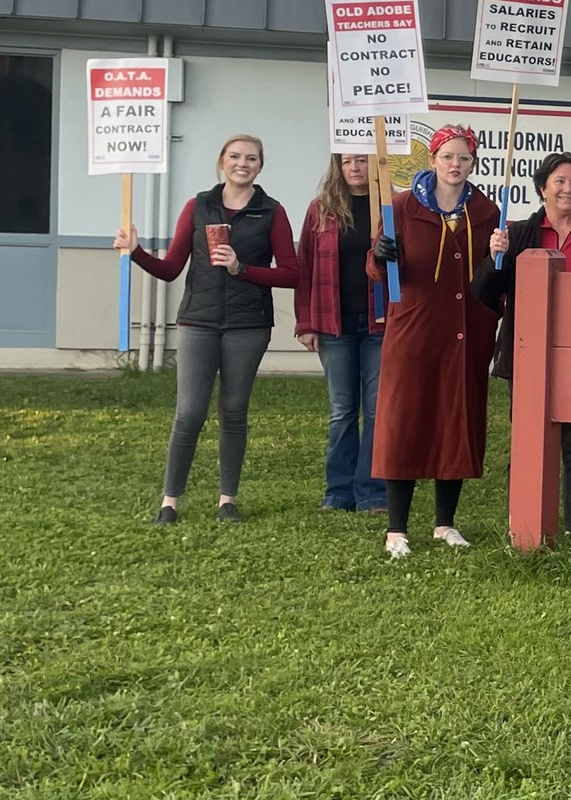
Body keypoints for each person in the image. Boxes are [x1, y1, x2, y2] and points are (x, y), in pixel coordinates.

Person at [117, 134, 300, 525]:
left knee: (233, 411)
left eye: (251, 158)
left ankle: (227, 500)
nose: (242, 163)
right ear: (222, 162)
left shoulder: (271, 211)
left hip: (247, 325)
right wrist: (135, 252)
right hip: (197, 321)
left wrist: (241, 269)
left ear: (260, 167)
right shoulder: (198, 206)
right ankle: (169, 503)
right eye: (235, 156)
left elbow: (292, 274)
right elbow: (170, 269)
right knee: (189, 413)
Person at [369, 124, 500, 558]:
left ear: (473, 163)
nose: (455, 165)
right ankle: (396, 528)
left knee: (454, 420)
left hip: (464, 334)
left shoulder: (487, 212)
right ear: (433, 160)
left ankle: (445, 523)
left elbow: (491, 276)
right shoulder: (401, 208)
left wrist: (500, 251)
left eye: (463, 158)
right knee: (405, 421)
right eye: (447, 157)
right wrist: (380, 255)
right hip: (414, 330)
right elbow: (375, 268)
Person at [479, 152, 571, 535]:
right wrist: (494, 256)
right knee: (528, 442)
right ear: (542, 187)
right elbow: (483, 292)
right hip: (528, 357)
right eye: (559, 181)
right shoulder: (518, 234)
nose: (568, 188)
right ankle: (523, 525)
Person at [294, 153, 384, 517]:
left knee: (377, 411)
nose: (354, 168)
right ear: (337, 166)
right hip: (334, 324)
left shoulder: (391, 209)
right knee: (342, 411)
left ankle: (373, 493)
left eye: (362, 161)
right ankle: (339, 491)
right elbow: (304, 269)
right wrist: (305, 322)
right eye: (347, 162)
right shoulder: (321, 210)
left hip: (381, 324)